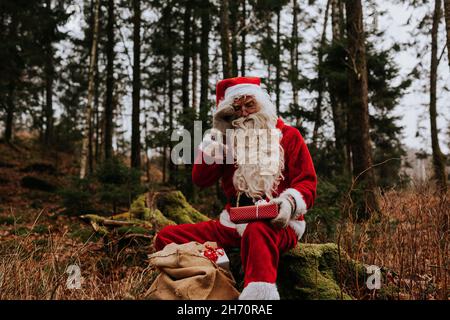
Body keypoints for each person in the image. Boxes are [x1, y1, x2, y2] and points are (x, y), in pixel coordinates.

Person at [154, 76, 317, 300]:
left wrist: (289, 204)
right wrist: (218, 131)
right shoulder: (227, 140)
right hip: (232, 224)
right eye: (237, 109)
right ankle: (221, 267)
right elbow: (200, 179)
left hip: (278, 224)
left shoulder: (289, 136)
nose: (245, 113)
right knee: (166, 237)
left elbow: (307, 183)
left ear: (264, 104)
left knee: (257, 230)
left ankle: (259, 300)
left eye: (250, 105)